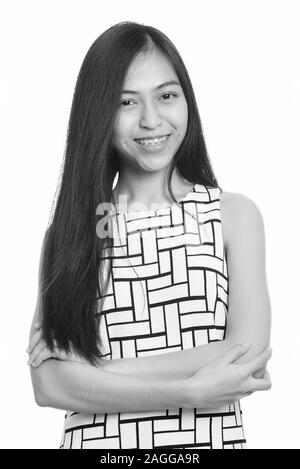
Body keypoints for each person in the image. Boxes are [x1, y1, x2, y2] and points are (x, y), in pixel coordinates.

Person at [27, 21, 272, 450]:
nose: (151, 120)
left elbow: (246, 355)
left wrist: (92, 370)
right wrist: (189, 390)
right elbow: (47, 385)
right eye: (126, 102)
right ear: (98, 112)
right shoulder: (69, 233)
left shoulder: (232, 216)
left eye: (166, 95)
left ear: (186, 101)